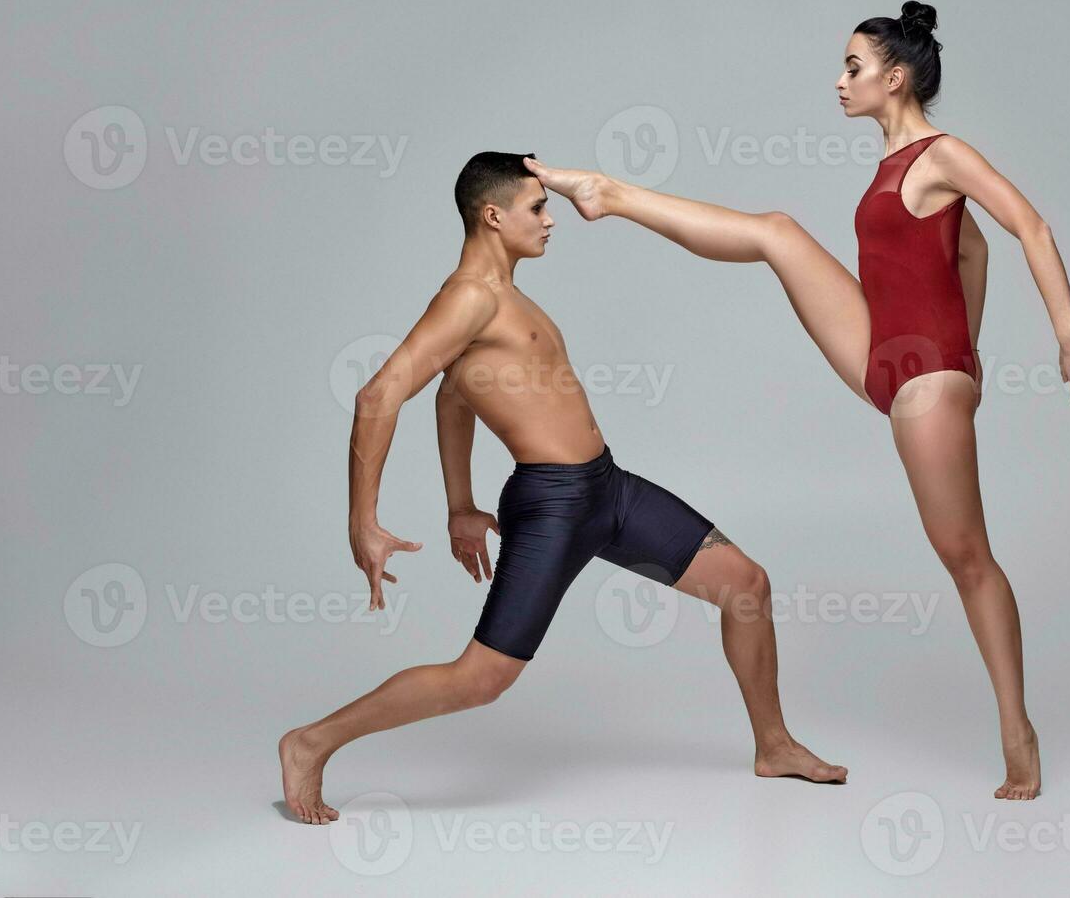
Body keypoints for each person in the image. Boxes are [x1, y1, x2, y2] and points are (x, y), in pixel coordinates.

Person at [524, 0, 1070, 801]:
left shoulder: (943, 154)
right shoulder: (890, 169)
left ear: (895, 78)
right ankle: (609, 193)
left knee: (966, 558)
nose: (839, 82)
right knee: (778, 231)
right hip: (889, 356)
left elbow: (1027, 227)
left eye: (854, 68)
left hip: (927, 375)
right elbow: (967, 248)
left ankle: (1018, 730)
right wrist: (965, 344)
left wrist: (1051, 341)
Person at [279, 152, 847, 825]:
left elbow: (455, 398)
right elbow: (379, 396)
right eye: (537, 208)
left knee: (746, 586)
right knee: (480, 680)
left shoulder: (508, 295)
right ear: (493, 215)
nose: (552, 221)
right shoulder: (468, 297)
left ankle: (774, 745)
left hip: (607, 490)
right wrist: (362, 521)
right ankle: (311, 743)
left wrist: (460, 505)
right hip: (552, 505)